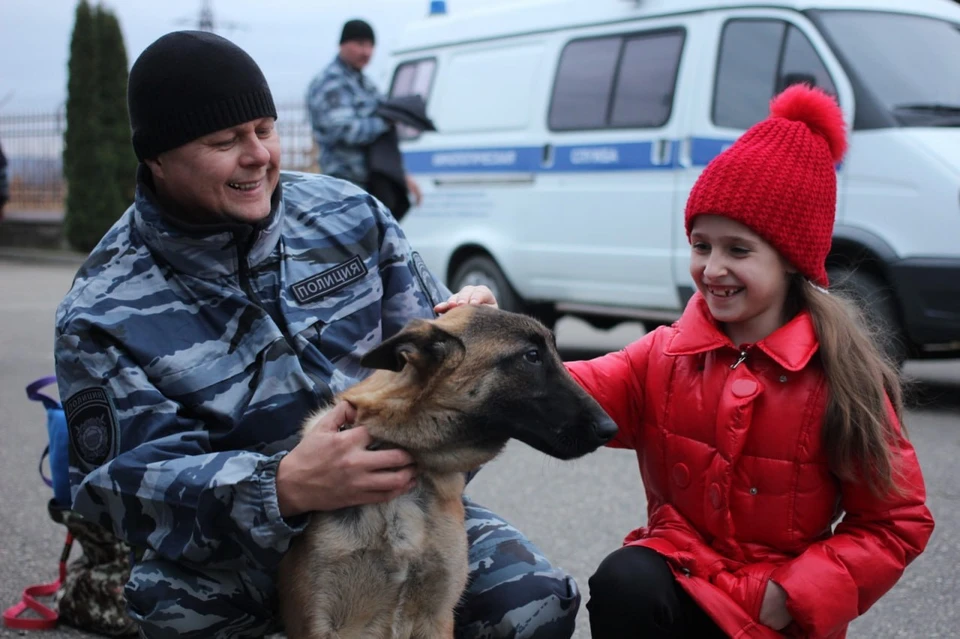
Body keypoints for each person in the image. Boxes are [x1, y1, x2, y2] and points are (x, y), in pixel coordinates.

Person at [54, 31, 580, 639]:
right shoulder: (103, 309)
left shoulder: (351, 217)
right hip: (234, 548)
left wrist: (478, 343)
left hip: (395, 503)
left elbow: (435, 371)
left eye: (264, 129)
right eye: (224, 141)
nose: (258, 156)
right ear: (157, 159)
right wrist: (280, 487)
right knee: (175, 611)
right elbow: (113, 489)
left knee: (533, 605)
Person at [440, 85, 935, 639]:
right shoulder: (666, 352)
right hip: (677, 579)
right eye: (702, 245)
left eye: (738, 250)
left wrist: (792, 594)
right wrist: (485, 334)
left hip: (777, 612)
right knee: (624, 579)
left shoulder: (844, 379)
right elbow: (564, 391)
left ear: (793, 260)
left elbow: (896, 522)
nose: (713, 268)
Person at [306, 18, 422, 211]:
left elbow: (382, 138)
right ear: (343, 44)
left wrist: (401, 175)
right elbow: (344, 130)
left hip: (372, 182)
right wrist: (385, 121)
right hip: (344, 187)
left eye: (370, 46)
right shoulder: (330, 83)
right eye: (360, 44)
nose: (366, 52)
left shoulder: (365, 83)